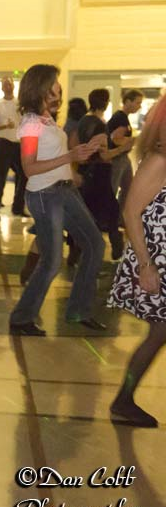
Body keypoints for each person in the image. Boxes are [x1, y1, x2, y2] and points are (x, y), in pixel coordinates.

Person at [8, 64, 106, 336]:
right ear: (40, 86)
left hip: (63, 190)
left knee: (95, 244)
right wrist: (70, 158)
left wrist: (79, 158)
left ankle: (79, 310)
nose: (58, 89)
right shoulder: (30, 123)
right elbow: (29, 167)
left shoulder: (46, 119)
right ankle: (21, 318)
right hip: (44, 195)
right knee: (52, 261)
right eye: (54, 83)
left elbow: (59, 156)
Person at [108, 96, 166, 427]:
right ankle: (123, 400)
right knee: (160, 332)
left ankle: (123, 400)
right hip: (155, 259)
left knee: (160, 333)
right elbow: (130, 211)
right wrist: (145, 265)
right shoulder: (159, 159)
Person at [76, 89, 133, 261]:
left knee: (89, 213)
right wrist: (124, 148)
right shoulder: (100, 125)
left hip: (85, 171)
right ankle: (115, 250)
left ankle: (77, 254)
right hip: (99, 173)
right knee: (112, 211)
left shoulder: (83, 121)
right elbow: (104, 155)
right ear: (106, 103)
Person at [0, 76, 27, 216]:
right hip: (3, 143)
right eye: (5, 84)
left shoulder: (20, 103)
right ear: (1, 87)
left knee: (24, 174)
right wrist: (6, 125)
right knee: (0, 177)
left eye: (10, 84)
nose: (8, 86)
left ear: (14, 86)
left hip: (18, 143)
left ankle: (18, 207)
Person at [108, 89, 143, 217]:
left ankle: (119, 216)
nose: (139, 107)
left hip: (123, 158)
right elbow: (115, 139)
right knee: (114, 188)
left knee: (128, 187)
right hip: (118, 158)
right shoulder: (120, 118)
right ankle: (110, 218)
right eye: (137, 103)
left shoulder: (124, 118)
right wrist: (132, 140)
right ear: (128, 101)